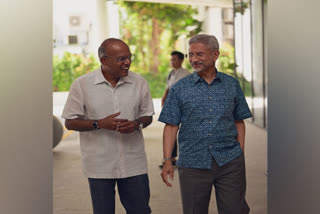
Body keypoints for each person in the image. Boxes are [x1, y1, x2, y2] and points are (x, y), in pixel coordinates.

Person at [159, 34, 252, 214]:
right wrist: (167, 160)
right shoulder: (180, 88)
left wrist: (239, 152)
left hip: (229, 162)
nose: (194, 59)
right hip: (192, 162)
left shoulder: (232, 84)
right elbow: (170, 126)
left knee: (235, 209)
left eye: (199, 54)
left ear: (215, 54)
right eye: (190, 55)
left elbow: (239, 120)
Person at [62, 38, 154, 214]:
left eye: (129, 57)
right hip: (99, 166)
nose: (127, 62)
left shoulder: (139, 82)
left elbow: (147, 116)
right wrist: (99, 124)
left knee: (141, 211)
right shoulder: (82, 84)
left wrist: (136, 124)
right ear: (104, 60)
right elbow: (70, 121)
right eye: (121, 59)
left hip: (134, 163)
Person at [159, 51, 190, 168]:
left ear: (181, 60)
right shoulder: (171, 73)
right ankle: (171, 158)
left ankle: (179, 157)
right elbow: (168, 88)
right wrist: (164, 98)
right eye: (171, 60)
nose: (172, 62)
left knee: (181, 130)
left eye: (175, 59)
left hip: (182, 105)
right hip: (172, 104)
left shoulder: (186, 74)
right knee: (170, 130)